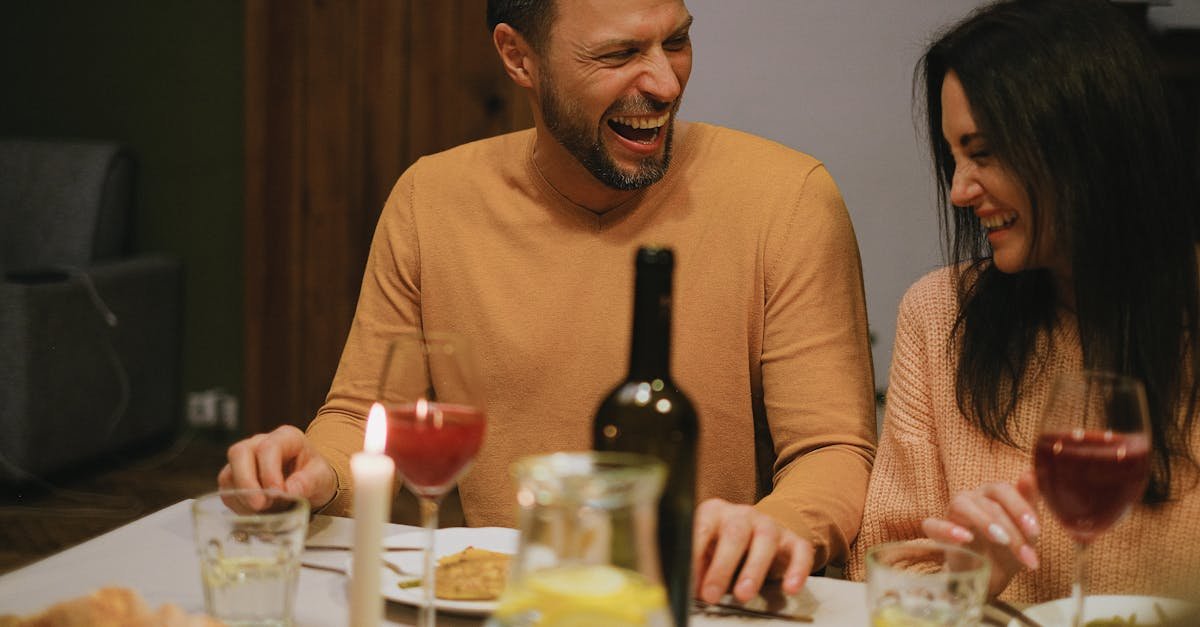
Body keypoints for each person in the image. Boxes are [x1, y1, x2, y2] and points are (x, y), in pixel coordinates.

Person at [221, 0, 877, 604]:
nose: (665, 84)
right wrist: (313, 472)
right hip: (492, 605)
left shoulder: (787, 198)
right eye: (618, 56)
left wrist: (776, 527)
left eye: (676, 41)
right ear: (518, 57)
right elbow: (366, 420)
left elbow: (834, 449)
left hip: (696, 604)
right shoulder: (432, 199)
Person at [848, 0, 1200, 603]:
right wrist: (972, 576)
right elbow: (880, 579)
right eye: (953, 156)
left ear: (1085, 144)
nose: (959, 190)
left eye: (983, 153)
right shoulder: (939, 315)